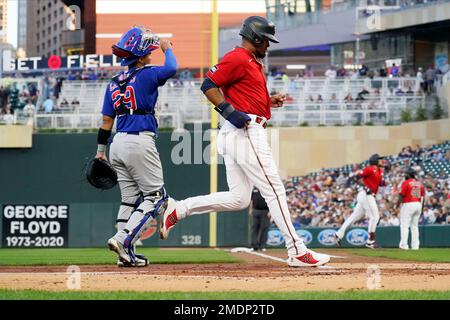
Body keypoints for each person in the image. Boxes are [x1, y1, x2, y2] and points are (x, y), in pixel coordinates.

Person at [159, 16, 330, 267]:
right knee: (274, 188)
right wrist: (229, 111)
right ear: (256, 38)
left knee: (239, 199)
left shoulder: (250, 62)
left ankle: (179, 209)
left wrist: (269, 101)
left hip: (238, 131)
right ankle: (296, 250)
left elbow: (243, 95)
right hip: (245, 130)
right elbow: (209, 84)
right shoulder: (239, 57)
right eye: (266, 41)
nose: (269, 46)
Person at [96, 25, 177, 267]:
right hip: (138, 139)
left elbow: (106, 121)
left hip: (117, 142)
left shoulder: (113, 82)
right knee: (157, 197)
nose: (151, 55)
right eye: (148, 52)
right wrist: (167, 49)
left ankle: (125, 255)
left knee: (129, 199)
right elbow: (172, 68)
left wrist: (100, 151)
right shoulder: (147, 73)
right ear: (141, 56)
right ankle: (123, 239)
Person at [334, 153, 385, 249]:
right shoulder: (370, 168)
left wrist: (381, 182)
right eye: (380, 159)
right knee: (374, 217)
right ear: (375, 161)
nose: (382, 160)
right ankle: (371, 241)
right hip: (366, 194)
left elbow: (377, 183)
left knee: (354, 217)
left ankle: (338, 234)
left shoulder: (379, 171)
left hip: (368, 195)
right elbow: (357, 177)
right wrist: (365, 186)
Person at [398, 167, 425, 250]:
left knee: (404, 226)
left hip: (409, 204)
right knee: (414, 226)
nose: (405, 175)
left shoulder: (406, 182)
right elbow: (423, 197)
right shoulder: (419, 183)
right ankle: (415, 246)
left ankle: (404, 245)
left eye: (406, 173)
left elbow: (401, 195)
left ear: (409, 175)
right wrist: (422, 208)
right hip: (418, 204)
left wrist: (398, 205)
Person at [249, 187, 271, 251]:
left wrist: (270, 211)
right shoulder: (254, 190)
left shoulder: (267, 190)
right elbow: (251, 201)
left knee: (264, 228)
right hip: (256, 210)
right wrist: (250, 209)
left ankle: (262, 246)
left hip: (265, 211)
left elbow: (270, 201)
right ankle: (254, 246)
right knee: (254, 228)